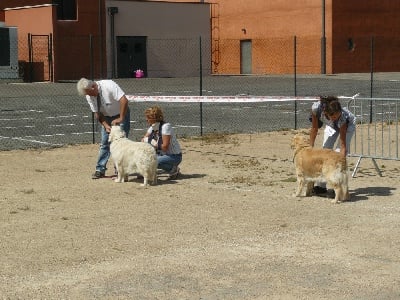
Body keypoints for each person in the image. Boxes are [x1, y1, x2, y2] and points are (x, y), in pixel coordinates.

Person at [77, 77, 131, 179]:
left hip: (121, 113)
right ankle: (100, 169)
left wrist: (121, 118)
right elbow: (97, 114)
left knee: (121, 143)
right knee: (104, 143)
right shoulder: (89, 96)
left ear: (93, 87)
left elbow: (124, 100)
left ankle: (120, 170)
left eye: (89, 93)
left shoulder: (109, 85)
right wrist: (106, 126)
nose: (89, 96)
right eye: (87, 94)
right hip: (106, 117)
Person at [309, 96, 356, 195]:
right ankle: (321, 187)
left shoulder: (342, 118)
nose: (336, 118)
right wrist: (310, 148)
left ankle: (338, 188)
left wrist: (341, 161)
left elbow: (343, 144)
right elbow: (314, 129)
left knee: (338, 154)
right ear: (326, 113)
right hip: (331, 126)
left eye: (337, 116)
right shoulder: (316, 109)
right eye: (334, 117)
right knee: (325, 151)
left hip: (348, 125)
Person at [141, 106, 182, 180]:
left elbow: (165, 147)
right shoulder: (153, 127)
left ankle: (172, 169)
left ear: (154, 118)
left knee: (152, 161)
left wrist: (153, 143)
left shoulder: (165, 127)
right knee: (145, 158)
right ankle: (145, 172)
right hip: (161, 154)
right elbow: (143, 140)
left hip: (174, 156)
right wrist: (147, 141)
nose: (146, 119)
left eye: (148, 117)